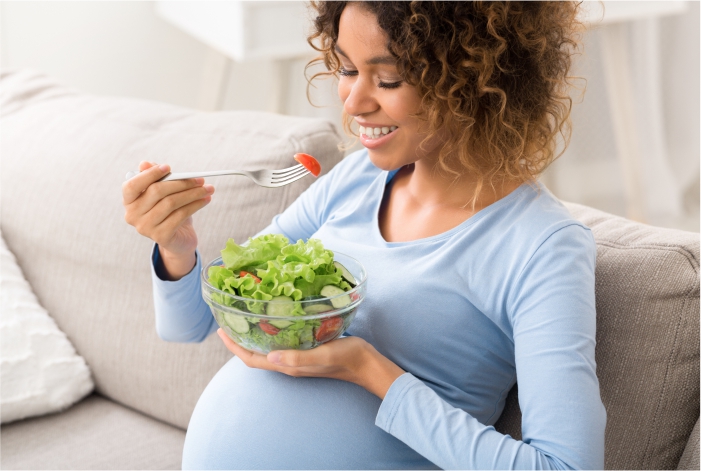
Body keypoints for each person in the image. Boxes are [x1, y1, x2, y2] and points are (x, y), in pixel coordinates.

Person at [122, 1, 606, 469]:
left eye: (388, 78)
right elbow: (192, 325)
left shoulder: (544, 246)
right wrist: (177, 249)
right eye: (347, 69)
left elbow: (564, 465)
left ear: (474, 79)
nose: (353, 103)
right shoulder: (355, 180)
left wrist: (367, 370)